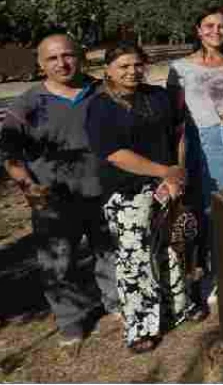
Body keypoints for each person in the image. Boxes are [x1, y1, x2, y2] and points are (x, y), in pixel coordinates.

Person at [0, 33, 119, 347]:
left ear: (80, 56)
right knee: (59, 263)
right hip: (55, 199)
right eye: (52, 58)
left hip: (104, 190)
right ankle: (71, 320)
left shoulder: (102, 92)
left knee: (110, 253)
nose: (62, 63)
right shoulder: (27, 104)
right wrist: (28, 186)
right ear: (40, 64)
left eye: (68, 55)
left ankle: (117, 304)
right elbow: (10, 153)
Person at [88, 43, 205, 354]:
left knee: (172, 249)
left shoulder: (157, 96)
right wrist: (164, 171)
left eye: (137, 65)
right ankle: (141, 326)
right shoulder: (101, 106)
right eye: (123, 66)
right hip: (126, 193)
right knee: (135, 261)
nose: (132, 71)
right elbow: (115, 154)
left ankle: (178, 308)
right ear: (108, 71)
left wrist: (176, 171)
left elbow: (178, 133)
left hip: (166, 187)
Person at [166, 7, 223, 303]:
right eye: (208, 26)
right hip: (200, 143)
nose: (215, 31)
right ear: (198, 30)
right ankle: (205, 274)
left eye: (222, 26)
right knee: (203, 210)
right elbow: (174, 118)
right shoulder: (180, 68)